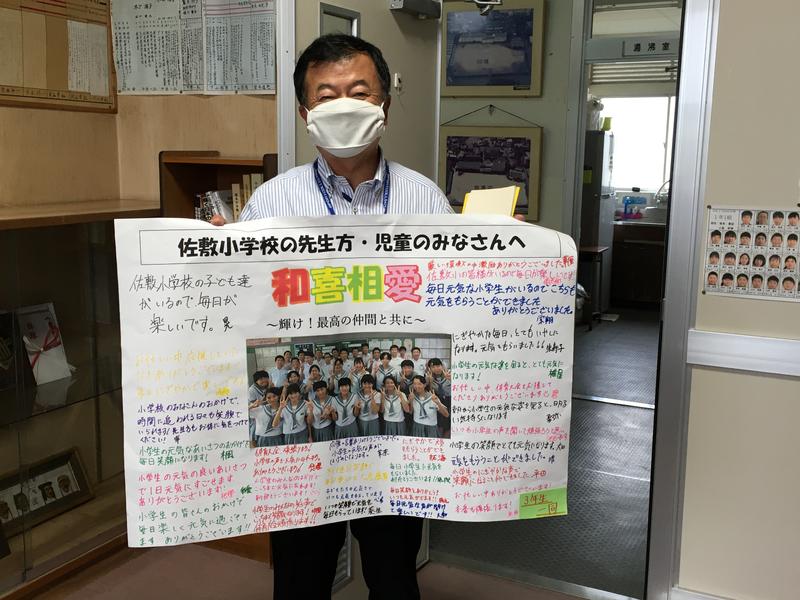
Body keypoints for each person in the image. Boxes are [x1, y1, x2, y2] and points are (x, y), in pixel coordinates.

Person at [216, 32, 454, 600]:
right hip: (302, 459)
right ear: (305, 113)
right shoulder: (270, 204)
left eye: (359, 91)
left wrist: (513, 259)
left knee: (394, 576)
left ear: (384, 104)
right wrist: (214, 261)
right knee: (301, 578)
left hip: (392, 453)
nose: (343, 105)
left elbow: (456, 301)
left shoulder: (426, 200)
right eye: (326, 96)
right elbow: (241, 309)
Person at [247, 370, 271, 443]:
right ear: (256, 381)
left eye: (265, 378)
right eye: (261, 379)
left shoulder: (268, 386)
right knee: (255, 427)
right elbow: (255, 404)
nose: (264, 380)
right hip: (256, 413)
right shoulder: (252, 390)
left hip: (267, 411)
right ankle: (253, 441)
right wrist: (268, 391)